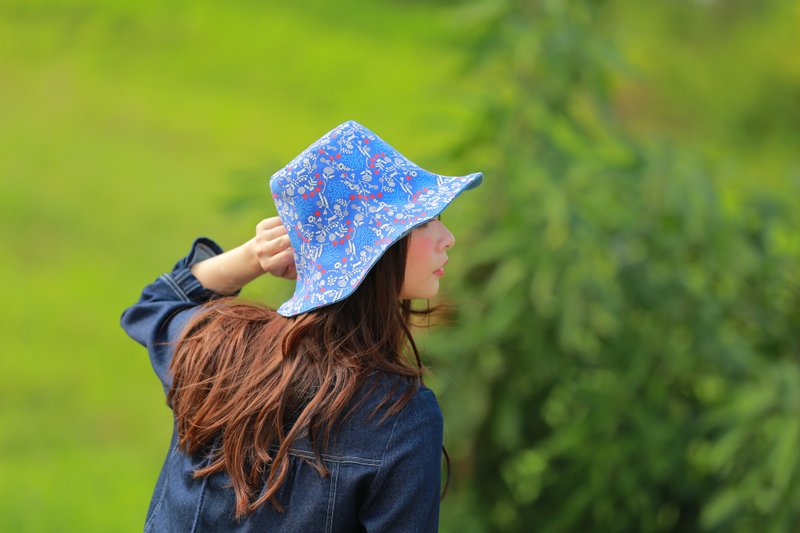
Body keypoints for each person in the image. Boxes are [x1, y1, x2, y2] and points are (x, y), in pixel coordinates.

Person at [121, 120, 483, 532]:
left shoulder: (220, 350)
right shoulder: (400, 416)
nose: (447, 237)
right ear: (376, 252)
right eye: (423, 221)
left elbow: (156, 304)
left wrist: (252, 257)